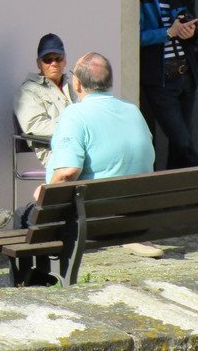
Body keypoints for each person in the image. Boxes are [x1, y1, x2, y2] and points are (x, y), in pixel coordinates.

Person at [37, 51, 161, 259]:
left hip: (95, 219)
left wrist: (45, 197)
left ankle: (28, 278)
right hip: (137, 215)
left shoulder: (75, 115)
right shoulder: (132, 110)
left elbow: (67, 172)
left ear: (77, 84)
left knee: (24, 215)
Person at [139, 0, 198, 170]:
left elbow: (196, 32)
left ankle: (177, 199)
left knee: (180, 143)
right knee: (183, 141)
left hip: (185, 74)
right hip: (159, 79)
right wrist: (168, 32)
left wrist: (189, 32)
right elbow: (135, 37)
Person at [13, 33, 76, 166]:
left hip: (78, 146)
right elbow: (35, 125)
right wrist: (75, 128)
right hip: (53, 151)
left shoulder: (72, 87)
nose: (54, 63)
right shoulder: (28, 90)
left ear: (64, 61)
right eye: (48, 59)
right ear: (39, 63)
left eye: (58, 58)